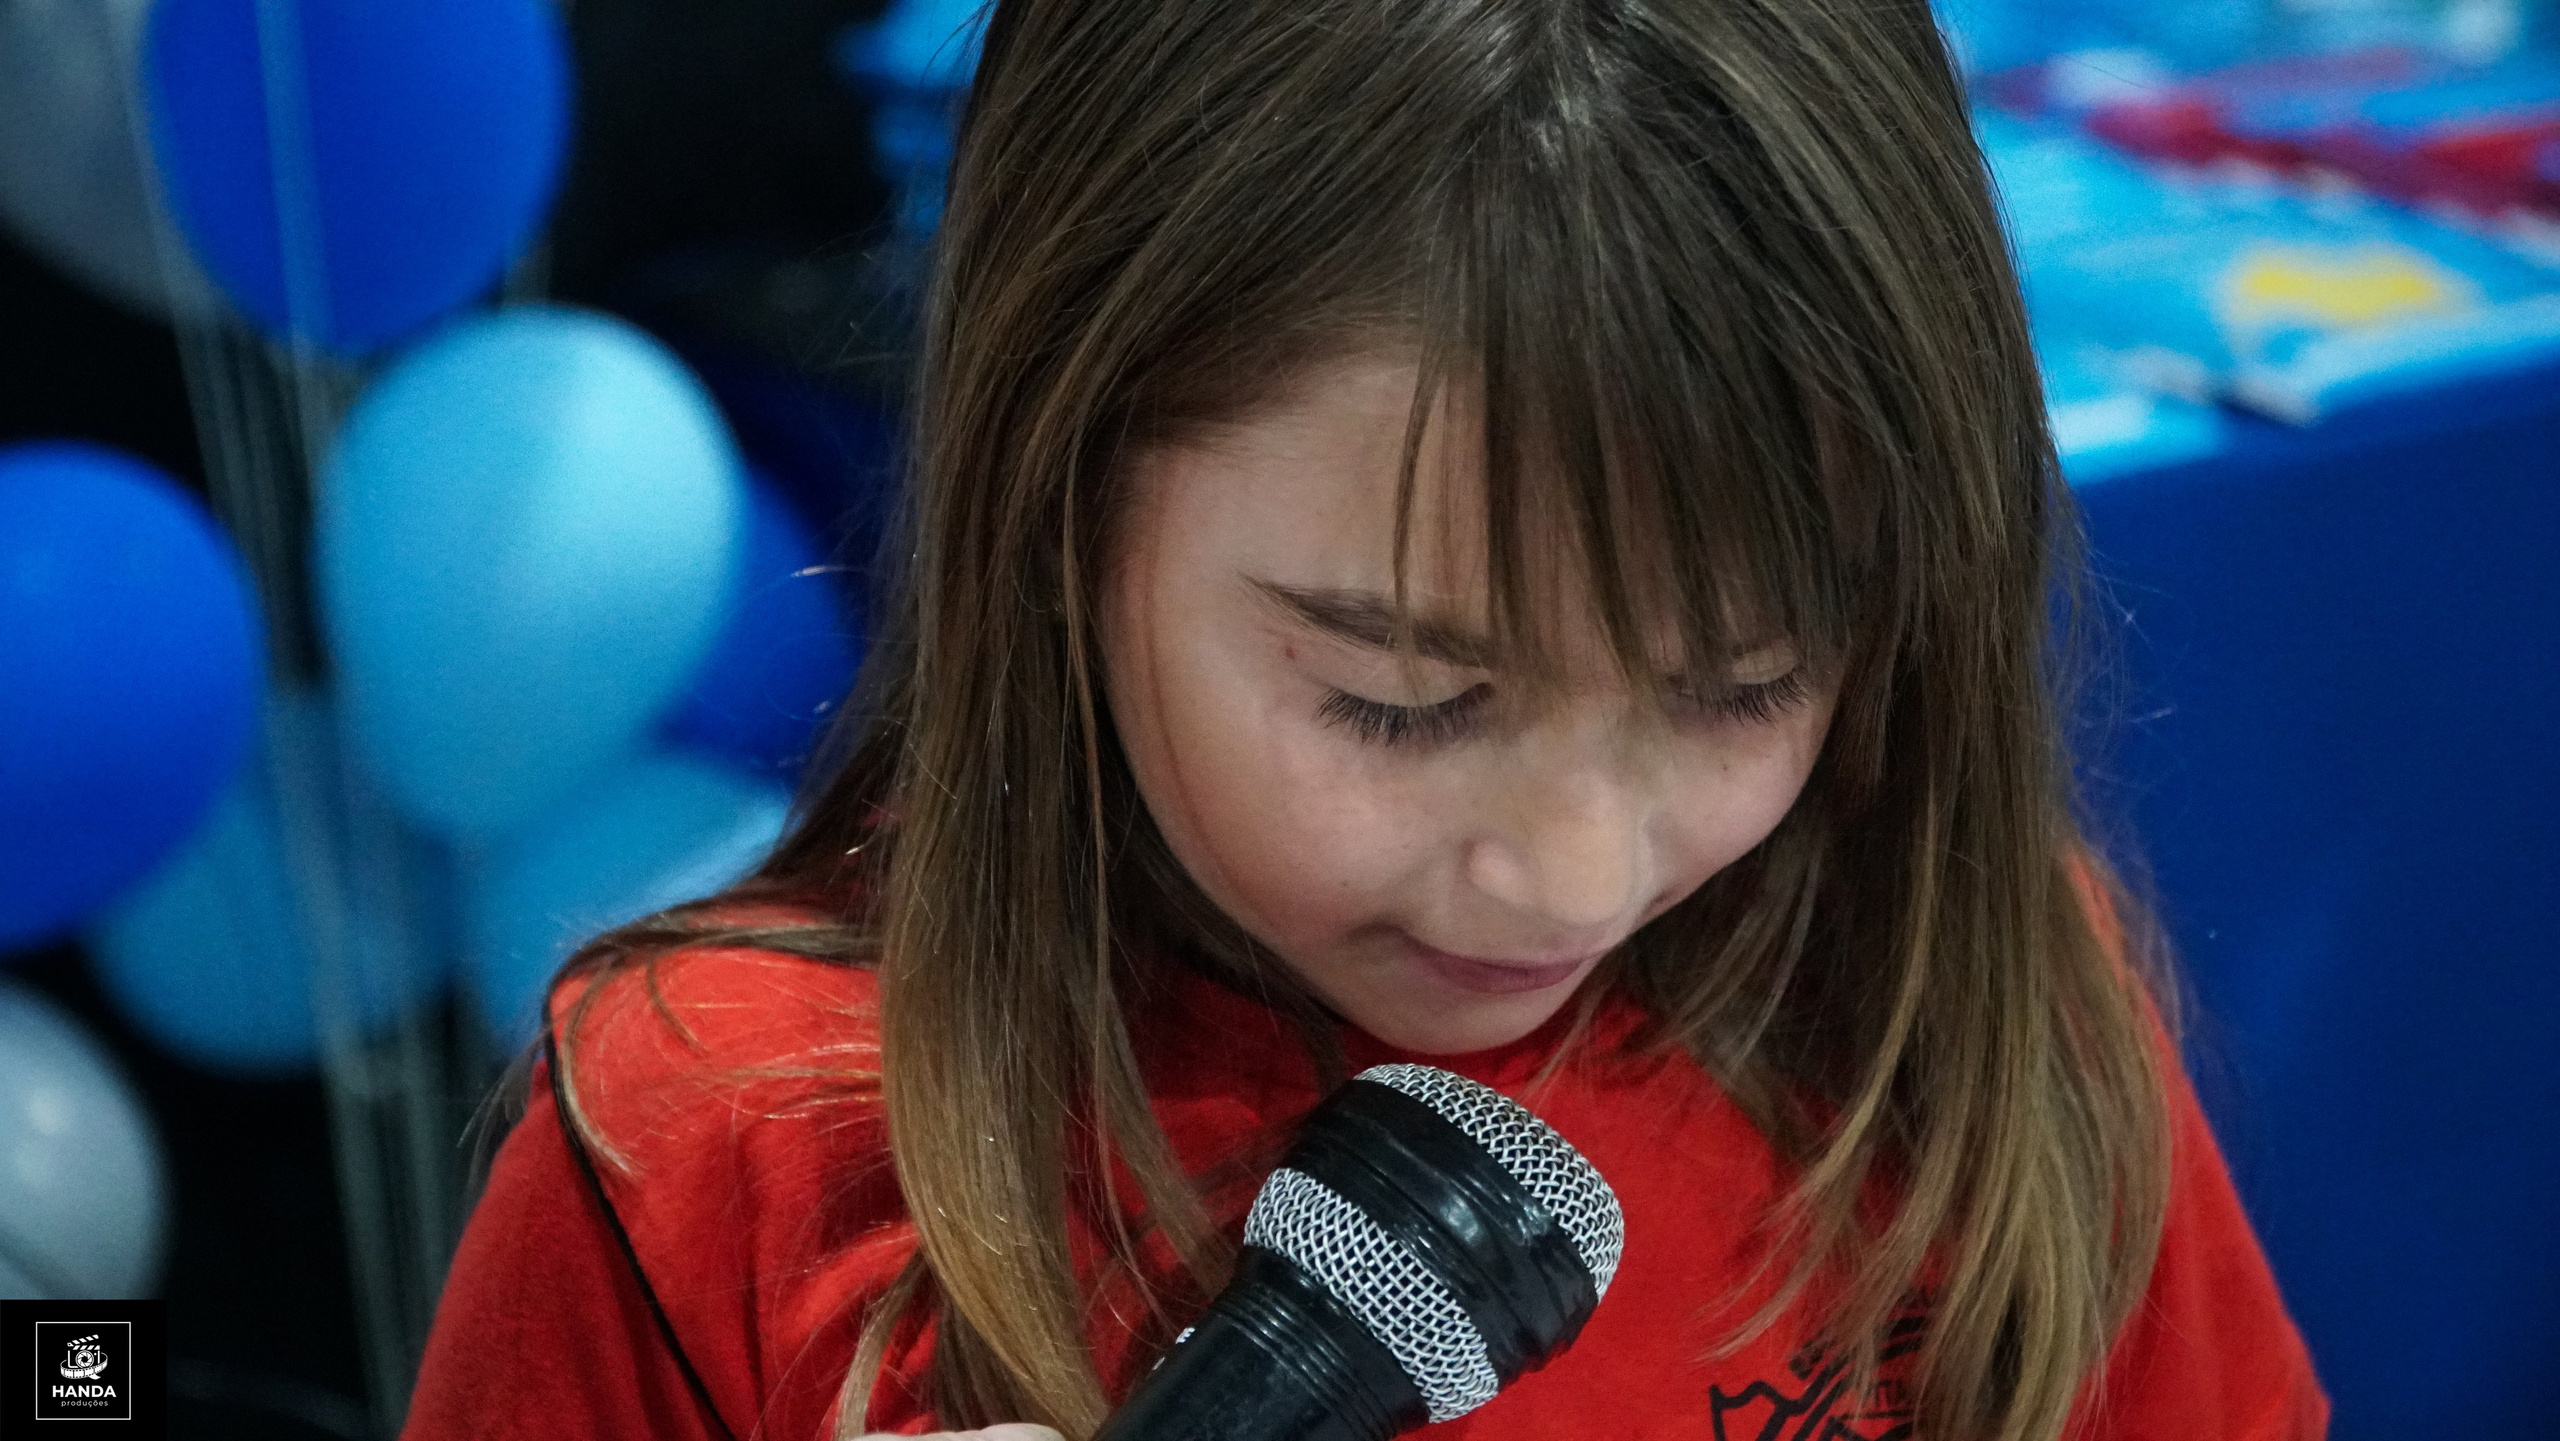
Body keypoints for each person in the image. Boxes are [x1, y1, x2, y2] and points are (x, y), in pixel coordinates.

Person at [399, 0, 2332, 1437]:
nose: (1573, 869)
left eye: (1747, 686)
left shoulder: (1955, 999)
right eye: (1402, 699)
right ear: (1062, 500)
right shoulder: (713, 1154)